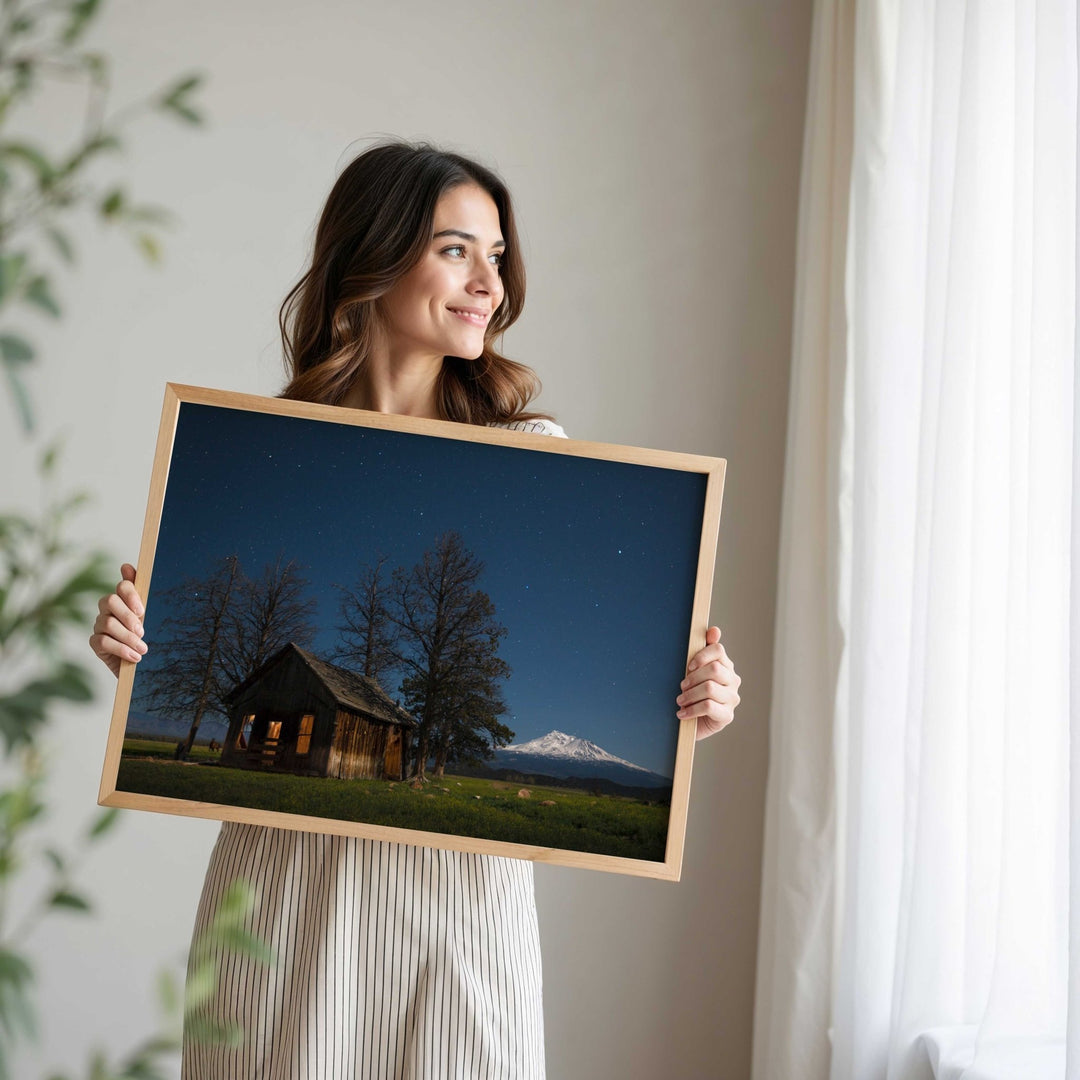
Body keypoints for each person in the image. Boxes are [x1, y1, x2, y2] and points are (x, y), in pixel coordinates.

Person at [89, 141, 742, 1080]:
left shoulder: (533, 451)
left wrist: (695, 700)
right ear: (375, 259)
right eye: (456, 251)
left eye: (498, 255)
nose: (491, 283)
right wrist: (133, 649)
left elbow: (651, 671)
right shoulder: (264, 446)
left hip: (460, 907)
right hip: (282, 897)